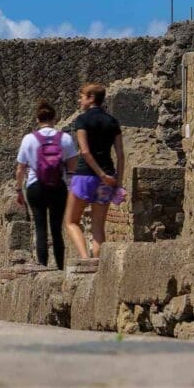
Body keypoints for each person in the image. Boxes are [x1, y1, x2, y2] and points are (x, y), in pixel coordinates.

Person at [64, 83, 126, 259]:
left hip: (85, 176)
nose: (79, 100)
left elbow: (84, 151)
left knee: (70, 221)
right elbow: (120, 155)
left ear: (91, 98)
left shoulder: (82, 120)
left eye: (81, 96)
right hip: (108, 177)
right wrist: (117, 182)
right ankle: (98, 265)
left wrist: (100, 174)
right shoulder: (113, 122)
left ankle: (85, 259)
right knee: (98, 227)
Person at [15, 99, 78, 270]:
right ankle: (59, 267)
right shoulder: (65, 138)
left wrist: (18, 190)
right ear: (54, 119)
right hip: (58, 187)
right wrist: (70, 185)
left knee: (40, 227)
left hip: (36, 187)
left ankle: (42, 268)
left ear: (37, 119)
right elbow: (73, 166)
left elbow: (20, 169)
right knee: (57, 230)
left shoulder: (28, 139)